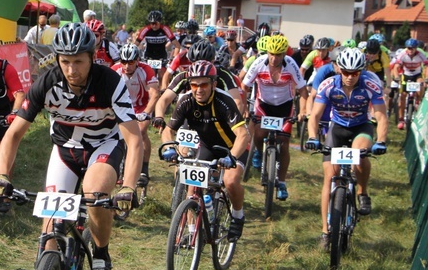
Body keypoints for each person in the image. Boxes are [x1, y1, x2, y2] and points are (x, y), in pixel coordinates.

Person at [0, 23, 144, 270]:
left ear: (92, 57)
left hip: (103, 145)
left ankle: (100, 258)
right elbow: (13, 136)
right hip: (65, 150)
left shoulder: (110, 82)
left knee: (95, 191)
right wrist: (2, 173)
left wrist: (129, 186)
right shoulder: (47, 83)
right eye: (65, 62)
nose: (72, 70)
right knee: (50, 229)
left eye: (78, 62)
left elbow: (134, 140)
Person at [305, 48, 388, 249]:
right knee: (329, 176)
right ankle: (325, 232)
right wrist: (313, 137)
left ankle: (362, 192)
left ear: (362, 71)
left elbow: (381, 115)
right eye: (346, 72)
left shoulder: (371, 84)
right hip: (338, 128)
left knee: (359, 155)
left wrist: (381, 141)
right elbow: (315, 116)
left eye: (355, 73)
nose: (350, 77)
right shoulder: (328, 85)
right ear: (339, 70)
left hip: (361, 126)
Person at [160, 61, 250, 242]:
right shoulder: (186, 101)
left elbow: (243, 135)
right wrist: (170, 147)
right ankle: (193, 233)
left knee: (230, 181)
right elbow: (168, 129)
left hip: (234, 146)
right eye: (194, 85)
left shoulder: (224, 101)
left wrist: (231, 157)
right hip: (207, 146)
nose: (198, 89)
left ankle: (238, 217)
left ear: (214, 84)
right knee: (192, 187)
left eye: (204, 85)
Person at [241, 35, 308, 199]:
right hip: (264, 105)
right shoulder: (259, 63)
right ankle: (260, 154)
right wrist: (243, 108)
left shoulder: (291, 64)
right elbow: (244, 86)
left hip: (284, 107)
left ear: (284, 54)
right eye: (271, 53)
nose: (274, 57)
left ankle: (282, 182)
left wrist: (303, 111)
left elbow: (303, 90)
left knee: (284, 143)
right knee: (259, 133)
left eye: (278, 54)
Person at [112, 43, 159, 187]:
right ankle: (119, 166)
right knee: (117, 135)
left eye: (131, 62)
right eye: (124, 62)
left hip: (141, 106)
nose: (127, 66)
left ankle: (144, 169)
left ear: (137, 60)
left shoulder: (146, 70)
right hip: (122, 107)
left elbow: (155, 93)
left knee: (141, 132)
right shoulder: (115, 70)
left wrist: (146, 112)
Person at [136, 10, 180, 85]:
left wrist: (173, 58)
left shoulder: (165, 29)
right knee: (150, 76)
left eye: (156, 23)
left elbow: (177, 45)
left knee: (161, 75)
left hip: (161, 56)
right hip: (149, 56)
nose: (154, 26)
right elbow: (135, 44)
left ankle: (161, 94)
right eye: (152, 23)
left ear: (160, 22)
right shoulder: (146, 29)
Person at [392, 38, 427, 130]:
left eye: (413, 48)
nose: (410, 50)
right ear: (406, 48)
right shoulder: (402, 54)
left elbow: (427, 66)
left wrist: (426, 78)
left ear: (416, 48)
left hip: (417, 75)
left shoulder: (420, 55)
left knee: (421, 83)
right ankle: (401, 119)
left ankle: (418, 101)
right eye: (409, 48)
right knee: (402, 96)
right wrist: (396, 77)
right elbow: (396, 67)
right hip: (406, 75)